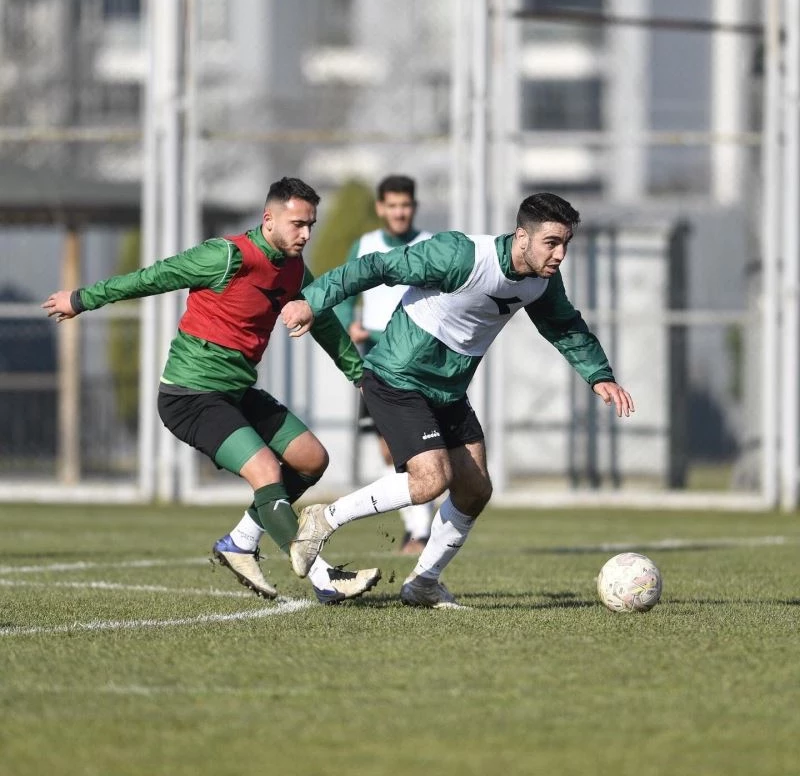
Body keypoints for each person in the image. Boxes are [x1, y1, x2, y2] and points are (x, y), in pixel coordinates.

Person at [280, 192, 634, 608]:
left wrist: (599, 375)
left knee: (474, 489)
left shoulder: (542, 281)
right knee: (431, 479)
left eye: (566, 244)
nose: (560, 254)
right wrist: (312, 300)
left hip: (448, 389)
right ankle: (325, 518)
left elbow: (564, 326)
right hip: (398, 374)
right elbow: (375, 266)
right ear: (522, 237)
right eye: (552, 243)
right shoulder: (460, 254)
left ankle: (423, 582)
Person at [41, 177, 380, 606]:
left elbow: (324, 321)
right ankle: (325, 577)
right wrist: (82, 298)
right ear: (269, 218)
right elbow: (152, 277)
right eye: (297, 224)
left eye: (310, 224)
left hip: (236, 393)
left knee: (312, 458)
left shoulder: (293, 268)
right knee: (266, 471)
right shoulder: (225, 255)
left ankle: (240, 542)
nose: (306, 234)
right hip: (190, 396)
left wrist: (360, 375)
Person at [336, 175, 435, 555]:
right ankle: (418, 530)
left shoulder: (430, 246)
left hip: (420, 360)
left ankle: (422, 532)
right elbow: (345, 292)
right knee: (388, 450)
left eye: (405, 205)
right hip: (376, 358)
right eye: (392, 205)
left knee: (423, 449)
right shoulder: (365, 246)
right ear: (380, 208)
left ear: (414, 206)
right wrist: (350, 325)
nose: (399, 212)